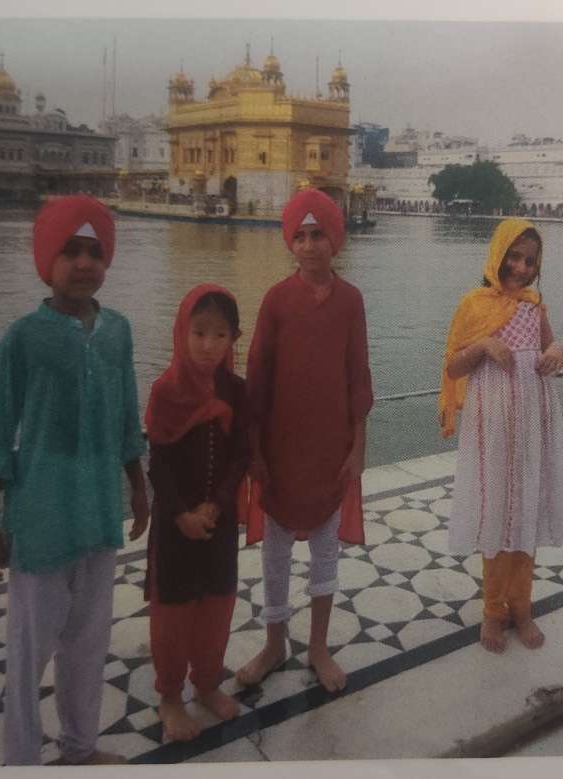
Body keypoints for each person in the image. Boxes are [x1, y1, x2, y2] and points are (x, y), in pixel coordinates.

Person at [0, 195, 149, 766]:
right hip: (42, 516)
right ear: (45, 261)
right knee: (29, 656)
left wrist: (138, 485)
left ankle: (79, 747)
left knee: (88, 644)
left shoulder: (118, 332)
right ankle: (19, 761)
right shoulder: (22, 337)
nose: (82, 263)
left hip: (99, 511)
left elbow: (127, 416)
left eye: (94, 251)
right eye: (68, 251)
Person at [235, 189, 374, 693]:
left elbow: (359, 377)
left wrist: (357, 446)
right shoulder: (276, 300)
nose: (311, 245)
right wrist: (254, 450)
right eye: (301, 235)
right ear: (290, 242)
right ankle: (274, 643)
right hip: (280, 449)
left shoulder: (352, 301)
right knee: (274, 553)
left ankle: (318, 645)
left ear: (335, 240)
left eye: (319, 235)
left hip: (330, 451)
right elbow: (257, 378)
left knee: (324, 552)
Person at [439, 218, 563, 654]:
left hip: (534, 422)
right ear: (497, 256)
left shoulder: (535, 306)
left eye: (530, 261)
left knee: (528, 511)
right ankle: (493, 611)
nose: (521, 268)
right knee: (499, 512)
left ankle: (523, 606)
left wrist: (556, 351)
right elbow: (452, 368)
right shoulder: (475, 305)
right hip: (493, 424)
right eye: (513, 258)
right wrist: (481, 347)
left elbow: (550, 347)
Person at [143, 284, 249, 741]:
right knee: (173, 614)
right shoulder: (166, 391)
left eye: (220, 335)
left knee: (216, 606)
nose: (209, 345)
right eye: (199, 333)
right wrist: (182, 514)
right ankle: (170, 697)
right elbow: (159, 463)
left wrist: (218, 504)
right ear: (182, 333)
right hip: (174, 527)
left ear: (233, 339)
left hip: (219, 523)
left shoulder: (236, 390)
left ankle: (206, 684)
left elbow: (240, 455)